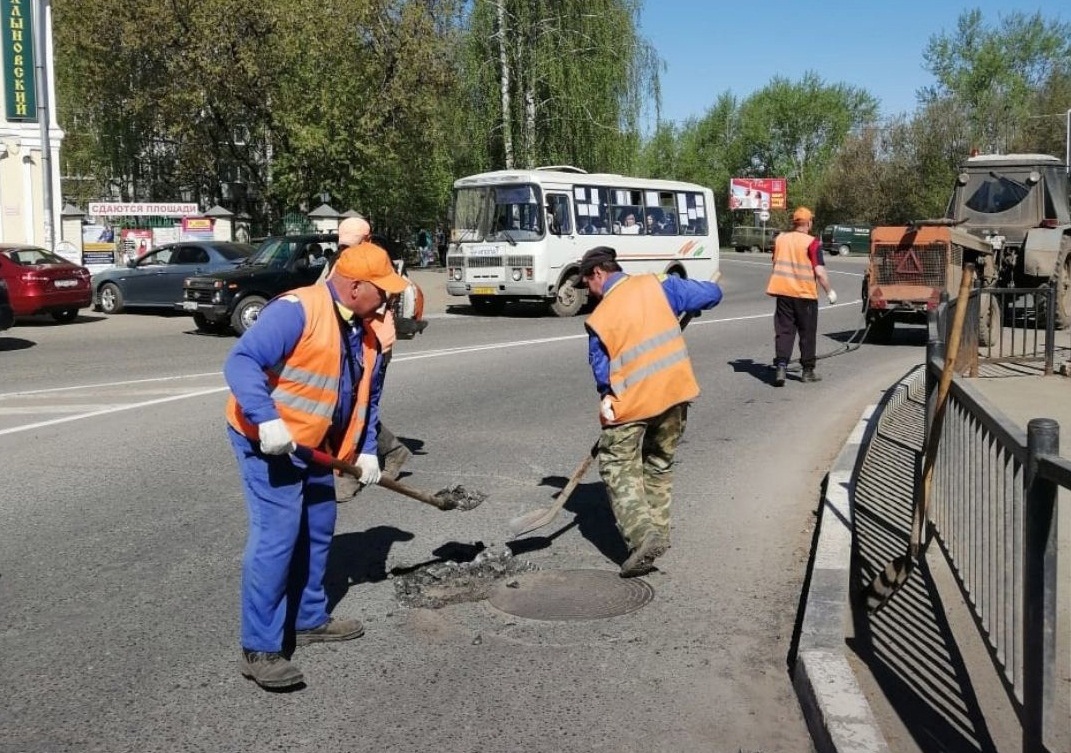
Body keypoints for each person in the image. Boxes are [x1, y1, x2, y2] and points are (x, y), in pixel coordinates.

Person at [224, 240, 409, 690]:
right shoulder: (298, 310)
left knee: (319, 524)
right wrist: (267, 421)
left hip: (315, 447)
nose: (388, 297)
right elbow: (241, 361)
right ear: (354, 285)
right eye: (381, 289)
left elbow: (366, 398)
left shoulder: (364, 328)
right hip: (270, 443)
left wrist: (366, 449)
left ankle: (307, 619)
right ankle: (260, 647)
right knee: (277, 536)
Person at [576, 246, 722, 577]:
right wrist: (694, 304)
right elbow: (712, 293)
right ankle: (659, 534)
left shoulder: (599, 318)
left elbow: (603, 375)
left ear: (598, 273)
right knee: (658, 463)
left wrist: (607, 405)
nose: (590, 293)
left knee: (618, 466)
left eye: (588, 285)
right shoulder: (658, 285)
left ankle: (643, 537)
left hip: (633, 402)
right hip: (675, 394)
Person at [765, 206, 837, 387]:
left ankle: (781, 366)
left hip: (783, 292)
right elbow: (819, 272)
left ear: (794, 222)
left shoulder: (781, 239)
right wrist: (829, 291)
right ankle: (807, 371)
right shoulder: (812, 242)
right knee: (807, 333)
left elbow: (775, 261)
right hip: (805, 295)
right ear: (808, 223)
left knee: (784, 331)